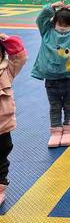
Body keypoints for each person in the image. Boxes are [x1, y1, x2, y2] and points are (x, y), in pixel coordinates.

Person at [32, 1, 70, 148]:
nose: (63, 28)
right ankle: (55, 131)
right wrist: (51, 7)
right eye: (60, 24)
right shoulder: (47, 32)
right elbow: (40, 19)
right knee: (54, 106)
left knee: (69, 105)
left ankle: (68, 130)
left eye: (67, 25)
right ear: (54, 23)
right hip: (51, 78)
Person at [0, 34, 27, 206]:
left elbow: (20, 56)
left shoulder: (7, 71)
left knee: (1, 156)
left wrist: (6, 40)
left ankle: (0, 187)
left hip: (2, 126)